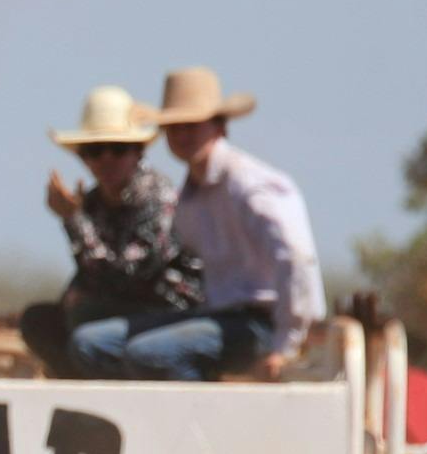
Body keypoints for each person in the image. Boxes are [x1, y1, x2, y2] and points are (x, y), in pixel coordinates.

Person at [64, 68, 323, 381]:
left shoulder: (248, 184)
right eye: (173, 128)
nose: (182, 136)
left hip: (259, 323)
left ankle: (205, 419)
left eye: (191, 126)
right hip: (218, 316)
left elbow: (296, 257)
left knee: (149, 352)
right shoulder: (191, 195)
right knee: (89, 342)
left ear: (219, 126)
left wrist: (286, 344)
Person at [18, 87, 195, 377]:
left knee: (83, 321)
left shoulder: (157, 198)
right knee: (39, 321)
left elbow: (128, 275)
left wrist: (73, 220)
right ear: (84, 158)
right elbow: (92, 273)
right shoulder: (93, 202)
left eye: (118, 149)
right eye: (95, 151)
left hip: (168, 313)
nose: (106, 160)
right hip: (123, 311)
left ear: (138, 152)